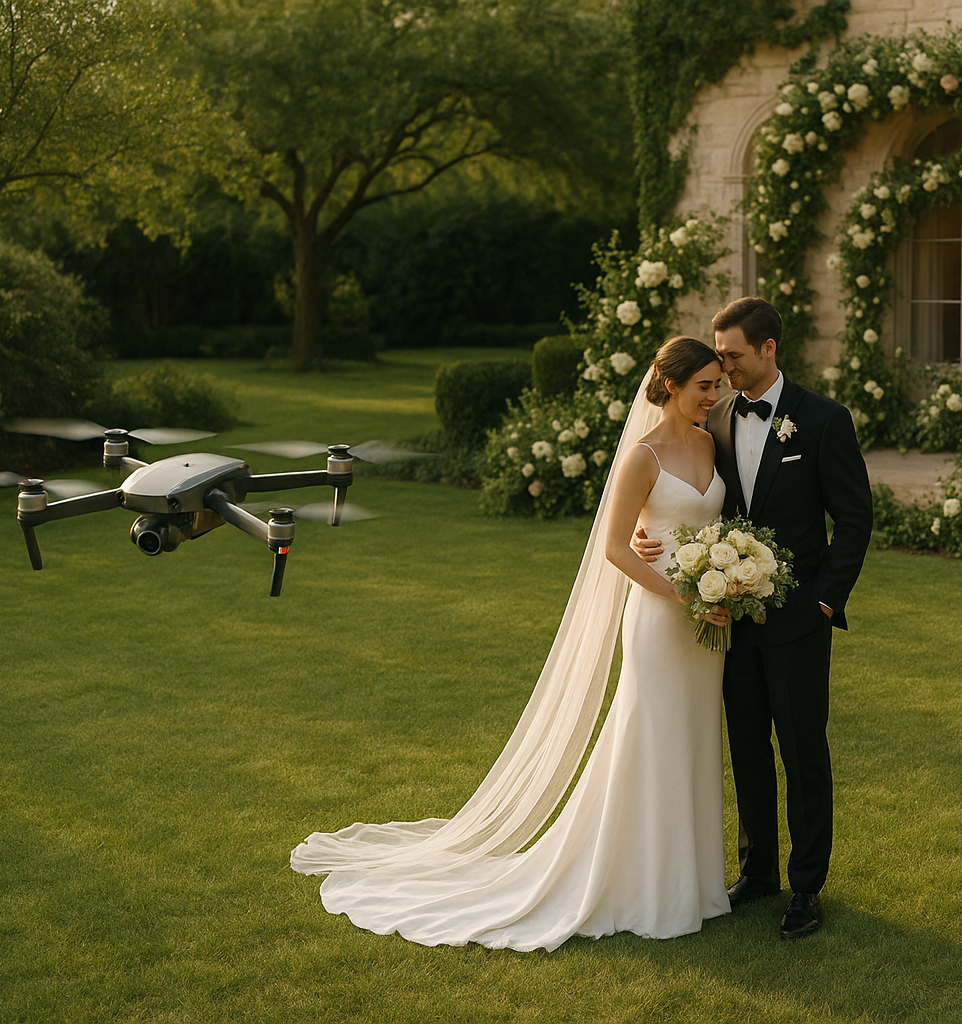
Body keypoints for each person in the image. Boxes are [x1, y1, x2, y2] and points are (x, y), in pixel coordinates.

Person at [291, 337, 734, 951]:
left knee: (693, 740)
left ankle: (694, 883)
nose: (714, 397)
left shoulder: (713, 443)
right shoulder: (644, 456)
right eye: (704, 387)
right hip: (661, 622)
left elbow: (706, 526)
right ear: (670, 386)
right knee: (651, 740)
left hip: (708, 623)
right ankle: (645, 884)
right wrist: (682, 594)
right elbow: (612, 548)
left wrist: (727, 579)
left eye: (717, 385)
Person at [638, 297, 873, 939]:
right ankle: (757, 871)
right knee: (746, 749)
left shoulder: (824, 421)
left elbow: (854, 520)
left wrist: (826, 601)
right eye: (719, 356)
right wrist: (645, 537)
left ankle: (806, 887)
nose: (724, 366)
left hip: (799, 622)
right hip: (727, 622)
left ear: (769, 348)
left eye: (734, 354)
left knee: (802, 754)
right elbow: (686, 500)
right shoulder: (713, 419)